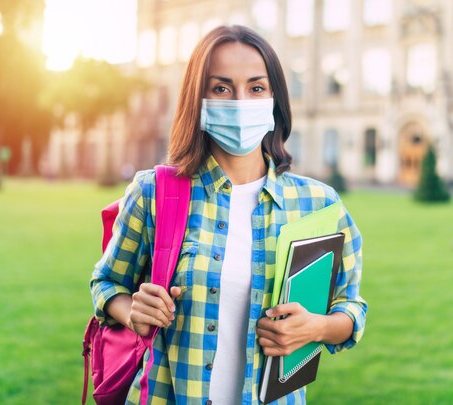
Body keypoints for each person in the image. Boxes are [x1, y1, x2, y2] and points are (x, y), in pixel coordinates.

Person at [90, 25, 367, 404]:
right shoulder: (155, 192)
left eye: (256, 88)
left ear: (274, 99)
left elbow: (350, 308)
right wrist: (132, 312)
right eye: (222, 88)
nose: (240, 102)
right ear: (198, 99)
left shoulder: (318, 204)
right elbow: (106, 284)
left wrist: (315, 327)